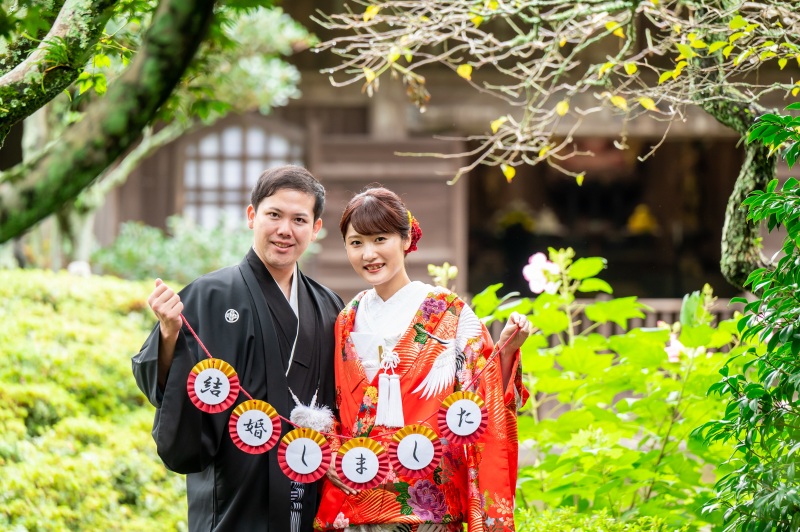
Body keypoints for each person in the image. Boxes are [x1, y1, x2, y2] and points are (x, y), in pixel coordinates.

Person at [132, 165, 344, 531]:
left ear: (315, 228)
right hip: (233, 493)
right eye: (273, 215)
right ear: (252, 216)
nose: (284, 230)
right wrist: (169, 333)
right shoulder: (209, 295)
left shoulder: (329, 306)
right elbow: (163, 385)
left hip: (308, 487)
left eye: (298, 219)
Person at [315, 187, 530, 531]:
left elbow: (481, 390)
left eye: (379, 239)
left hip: (430, 504)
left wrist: (504, 354)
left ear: (405, 239)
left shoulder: (448, 311)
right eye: (356, 243)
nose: (368, 253)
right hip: (356, 497)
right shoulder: (347, 318)